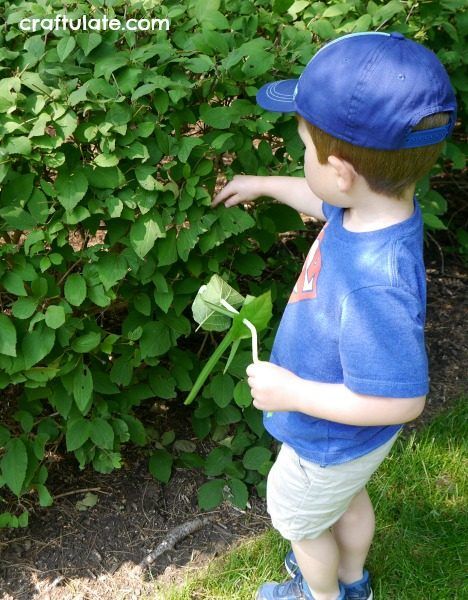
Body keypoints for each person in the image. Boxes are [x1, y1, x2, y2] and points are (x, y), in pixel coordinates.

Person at [211, 31, 457, 600]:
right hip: (354, 449)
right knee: (348, 499)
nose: (301, 160)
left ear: (342, 170)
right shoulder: (378, 208)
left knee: (300, 522)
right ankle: (355, 583)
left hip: (326, 438)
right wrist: (264, 185)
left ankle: (319, 595)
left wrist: (292, 393)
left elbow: (403, 400)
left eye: (303, 148)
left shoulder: (375, 280)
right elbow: (320, 197)